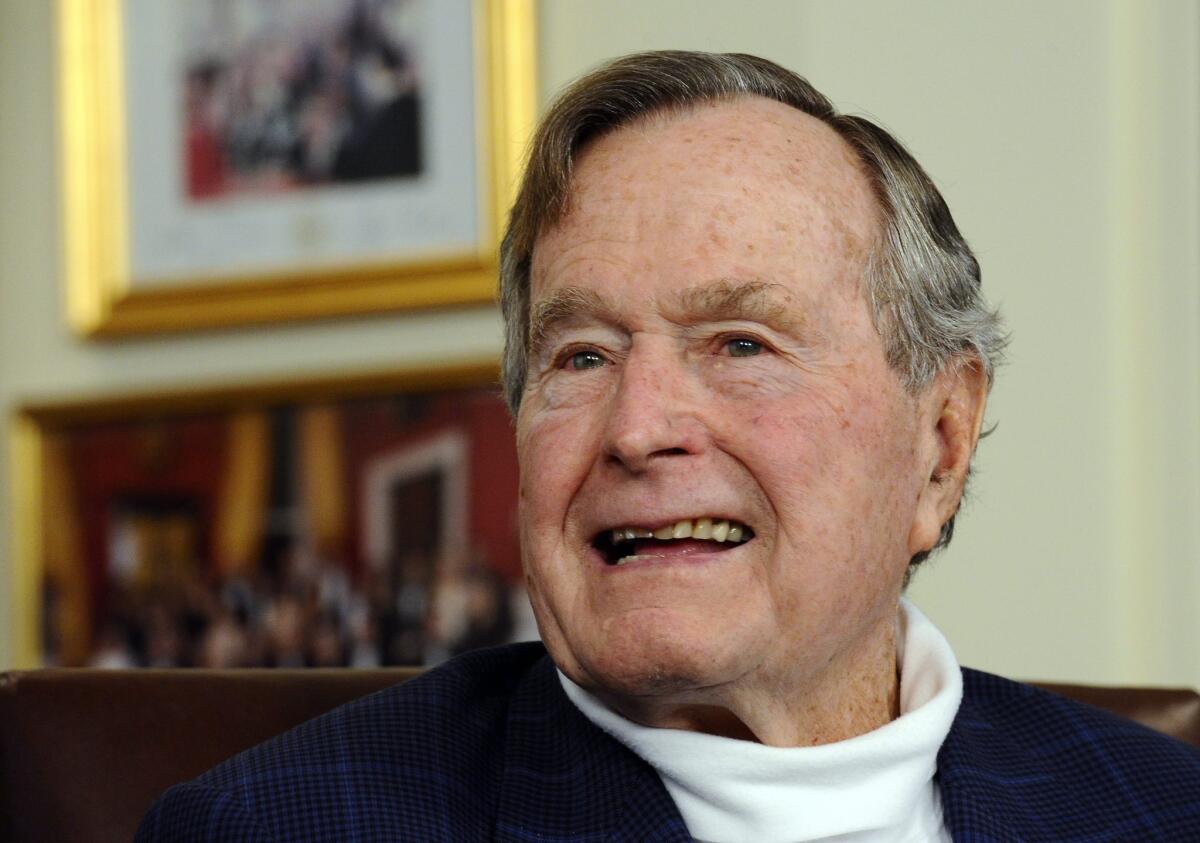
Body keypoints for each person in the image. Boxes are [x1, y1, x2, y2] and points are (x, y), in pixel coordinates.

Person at [137, 51, 1200, 842]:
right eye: (583, 357)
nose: (638, 429)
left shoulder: (1161, 811)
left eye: (741, 342)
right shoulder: (281, 827)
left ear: (941, 441)